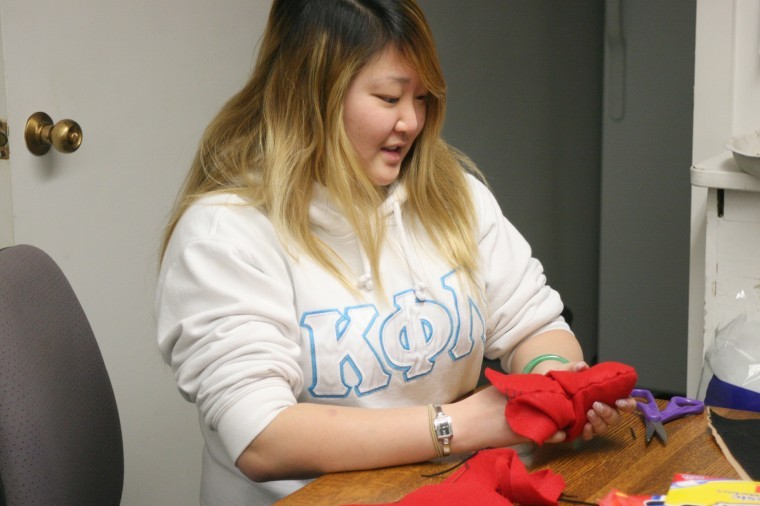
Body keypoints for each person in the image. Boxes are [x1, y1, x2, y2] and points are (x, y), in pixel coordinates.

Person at [156, 0, 635, 504]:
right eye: (389, 98)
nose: (412, 121)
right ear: (310, 95)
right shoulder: (224, 234)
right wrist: (460, 426)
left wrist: (551, 383)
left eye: (422, 97)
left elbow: (534, 325)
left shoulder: (453, 194)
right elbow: (262, 438)